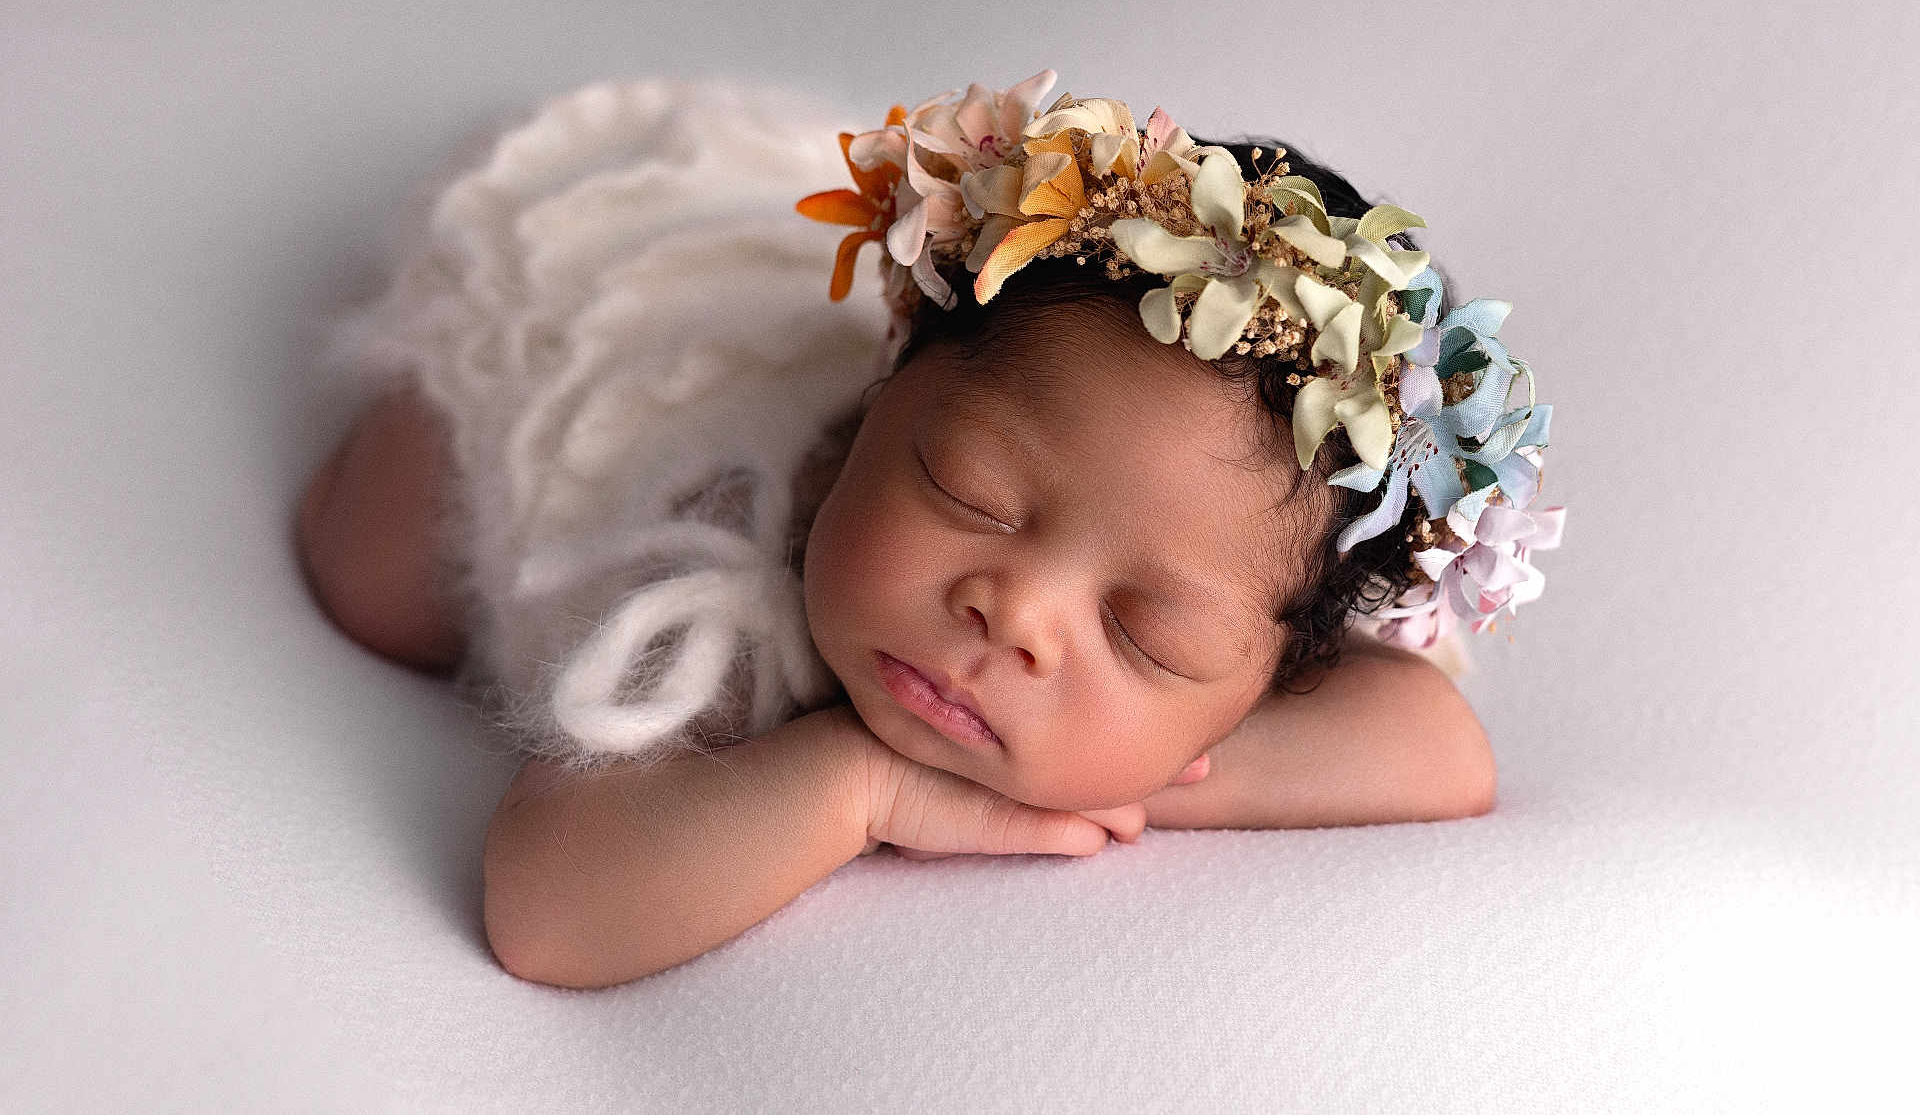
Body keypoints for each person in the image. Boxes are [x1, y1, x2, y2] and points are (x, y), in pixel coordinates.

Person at [295, 73, 1562, 987]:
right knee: (377, 583)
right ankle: (426, 382)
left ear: (1270, 682)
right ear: (874, 410)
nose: (1013, 611)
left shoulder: (1235, 641)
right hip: (602, 356)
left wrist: (1135, 764)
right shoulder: (735, 568)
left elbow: (1440, 749)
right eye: (970, 495)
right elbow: (550, 908)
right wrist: (865, 783)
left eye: (1148, 633)